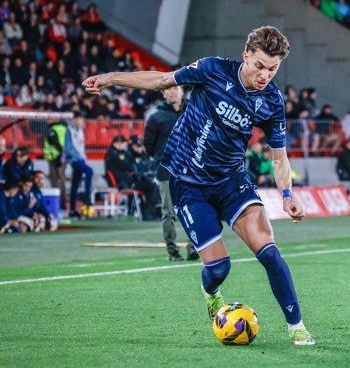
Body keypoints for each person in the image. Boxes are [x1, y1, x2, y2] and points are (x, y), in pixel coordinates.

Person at [82, 25, 314, 345]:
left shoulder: (272, 100)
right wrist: (109, 78)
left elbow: (279, 158)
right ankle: (211, 290)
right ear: (245, 56)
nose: (265, 75)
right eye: (259, 65)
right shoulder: (212, 69)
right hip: (188, 182)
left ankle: (297, 326)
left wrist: (288, 195)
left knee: (269, 252)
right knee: (219, 267)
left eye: (273, 69)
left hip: (232, 181)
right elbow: (161, 80)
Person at [144, 85, 199, 261]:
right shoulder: (156, 117)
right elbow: (149, 146)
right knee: (168, 212)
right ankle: (173, 252)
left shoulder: (194, 110)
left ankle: (193, 247)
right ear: (163, 93)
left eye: (175, 88)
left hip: (191, 169)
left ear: (182, 91)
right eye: (167, 89)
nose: (172, 91)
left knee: (194, 209)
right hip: (166, 170)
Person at [64, 111, 94, 218]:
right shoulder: (69, 131)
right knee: (89, 171)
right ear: (74, 119)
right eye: (79, 119)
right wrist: (78, 156)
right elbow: (67, 148)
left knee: (75, 184)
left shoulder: (80, 130)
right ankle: (87, 196)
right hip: (75, 160)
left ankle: (72, 209)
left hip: (80, 159)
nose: (81, 121)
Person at [43, 120, 68, 212]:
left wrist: (59, 157)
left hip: (55, 158)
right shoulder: (65, 129)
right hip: (63, 158)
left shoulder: (53, 130)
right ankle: (62, 203)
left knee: (56, 180)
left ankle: (59, 203)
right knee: (61, 179)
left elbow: (56, 144)